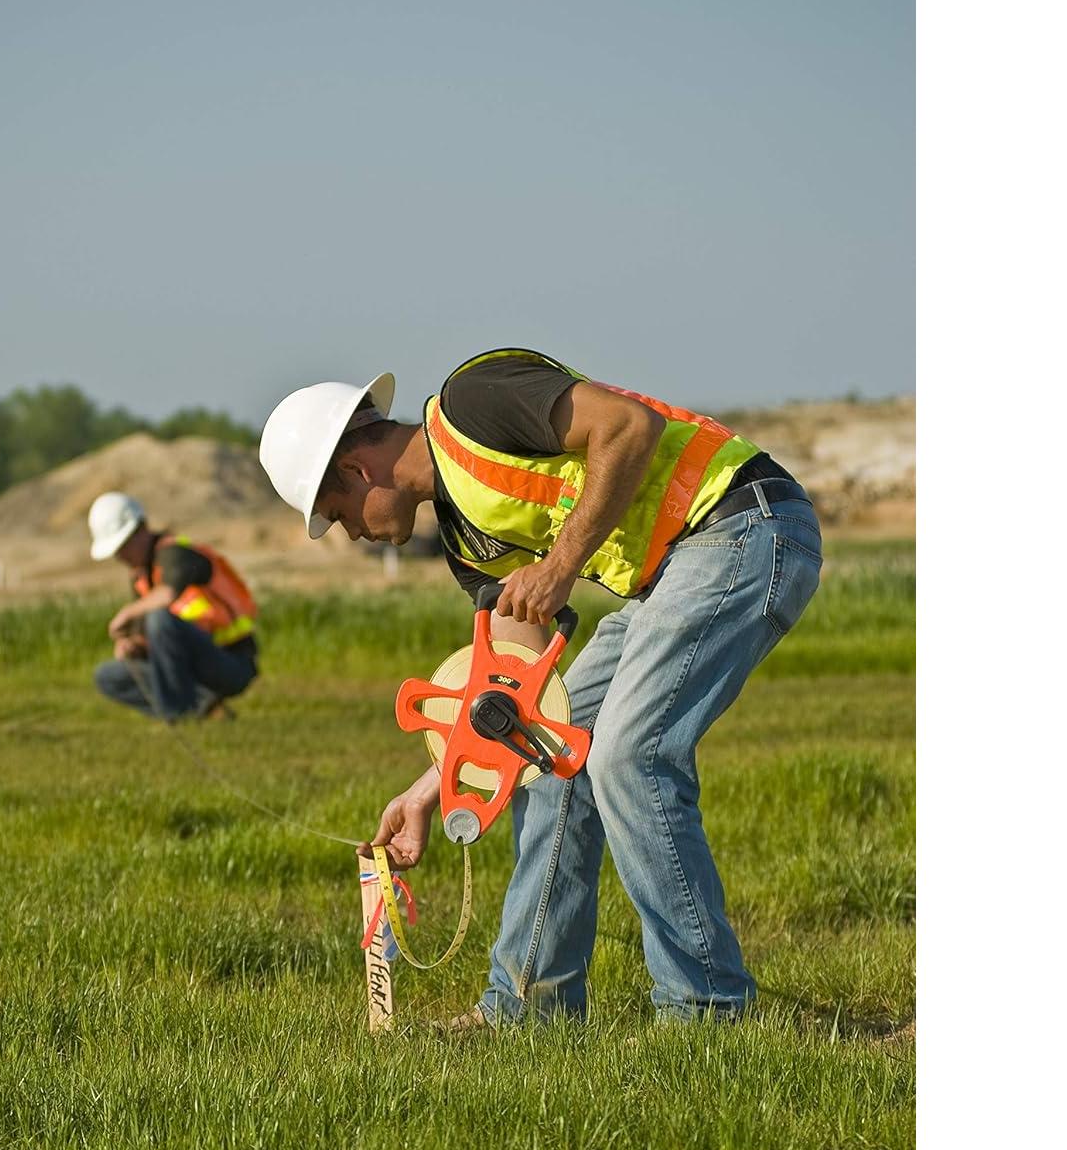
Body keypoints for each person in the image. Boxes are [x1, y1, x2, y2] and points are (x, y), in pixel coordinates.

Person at [258, 347, 821, 1027]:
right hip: (671, 572)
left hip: (743, 524)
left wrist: (559, 567)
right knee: (551, 757)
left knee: (628, 757)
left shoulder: (475, 401)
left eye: (335, 511)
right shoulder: (467, 542)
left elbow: (629, 427)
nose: (346, 532)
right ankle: (529, 1010)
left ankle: (708, 1013)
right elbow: (516, 699)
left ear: (356, 467)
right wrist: (430, 790)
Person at [87, 492, 259, 723]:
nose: (120, 557)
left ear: (141, 530)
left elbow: (168, 595)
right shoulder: (141, 577)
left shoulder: (176, 554)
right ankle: (204, 707)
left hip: (229, 660)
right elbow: (155, 639)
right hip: (187, 668)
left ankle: (177, 714)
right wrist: (133, 647)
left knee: (159, 619)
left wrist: (129, 612)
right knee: (107, 676)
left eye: (123, 547)